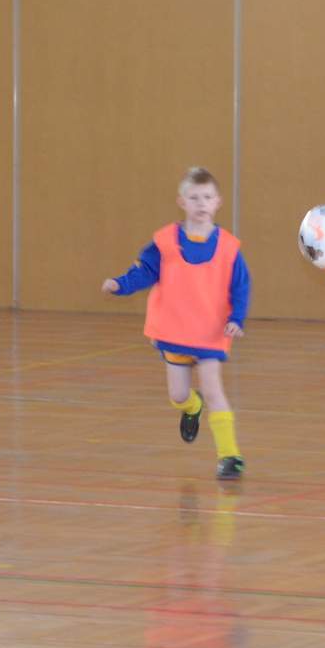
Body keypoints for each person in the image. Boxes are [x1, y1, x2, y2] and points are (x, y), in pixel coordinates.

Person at [101, 166, 250, 480]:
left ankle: (230, 456)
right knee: (180, 395)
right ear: (182, 202)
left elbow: (240, 286)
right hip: (176, 331)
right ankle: (192, 408)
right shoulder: (165, 242)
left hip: (210, 332)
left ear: (218, 202)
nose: (201, 203)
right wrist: (120, 284)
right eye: (194, 198)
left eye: (207, 197)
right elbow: (144, 272)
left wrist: (236, 318)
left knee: (214, 389)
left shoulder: (228, 247)